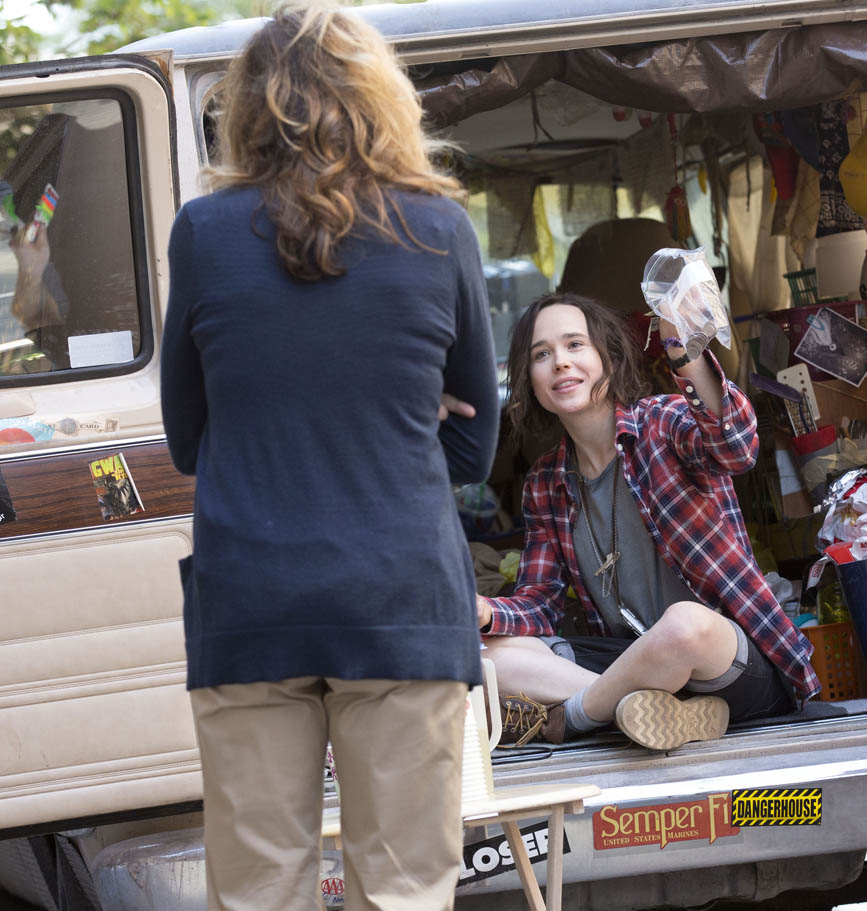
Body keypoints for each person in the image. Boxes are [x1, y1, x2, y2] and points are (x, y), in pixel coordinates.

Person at [160, 5, 498, 911]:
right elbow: (474, 446)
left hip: (251, 601)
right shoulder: (438, 229)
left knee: (260, 893)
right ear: (381, 99)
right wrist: (398, 411)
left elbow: (188, 441)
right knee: (405, 892)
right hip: (400, 598)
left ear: (246, 109)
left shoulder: (202, 233)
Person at [477, 292, 820, 750]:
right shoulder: (544, 482)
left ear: (610, 358)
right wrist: (485, 613)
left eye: (575, 344)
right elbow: (540, 605)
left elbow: (737, 448)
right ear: (530, 381)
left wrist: (683, 351)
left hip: (728, 661)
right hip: (634, 663)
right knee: (487, 655)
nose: (560, 362)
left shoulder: (663, 422)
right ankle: (646, 710)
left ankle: (576, 718)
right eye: (542, 354)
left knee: (683, 624)